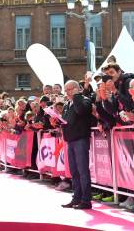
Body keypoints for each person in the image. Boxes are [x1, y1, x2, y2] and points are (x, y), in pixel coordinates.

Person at [60, 80, 94, 210]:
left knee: (83, 171)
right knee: (74, 172)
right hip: (71, 139)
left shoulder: (84, 100)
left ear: (76, 89)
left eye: (69, 89)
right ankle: (76, 197)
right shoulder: (67, 104)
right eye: (66, 90)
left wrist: (76, 96)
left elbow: (81, 111)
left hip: (81, 139)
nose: (67, 92)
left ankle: (86, 200)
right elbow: (68, 120)